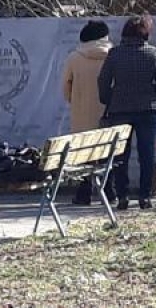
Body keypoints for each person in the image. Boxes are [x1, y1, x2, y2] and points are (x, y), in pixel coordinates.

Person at [98, 15, 156, 210]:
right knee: (147, 154)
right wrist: (155, 97)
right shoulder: (153, 53)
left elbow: (103, 81)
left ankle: (122, 195)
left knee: (121, 155)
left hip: (119, 109)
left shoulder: (114, 54)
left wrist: (108, 99)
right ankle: (145, 196)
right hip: (147, 109)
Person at [62, 19, 112, 205]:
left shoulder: (74, 58)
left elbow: (65, 86)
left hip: (81, 113)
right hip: (107, 113)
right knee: (108, 152)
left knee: (83, 154)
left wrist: (75, 100)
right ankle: (109, 190)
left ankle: (83, 193)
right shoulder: (112, 56)